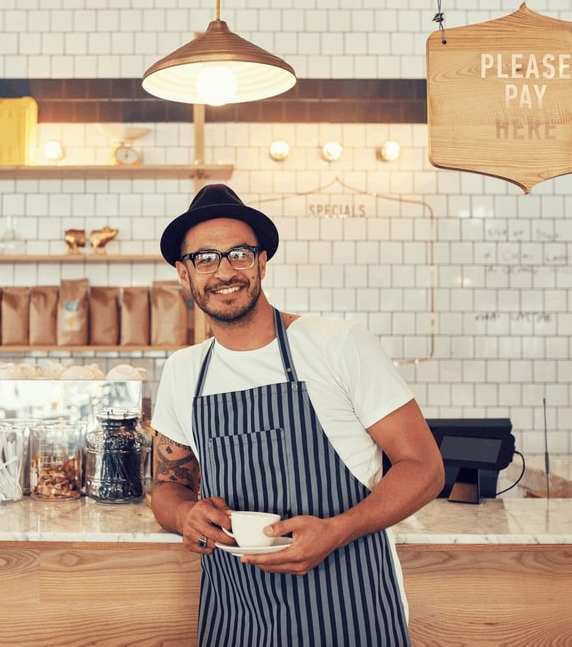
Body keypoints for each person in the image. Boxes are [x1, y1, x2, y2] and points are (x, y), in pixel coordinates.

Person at [150, 184, 445, 646]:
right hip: (237, 615)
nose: (224, 271)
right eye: (205, 258)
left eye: (239, 254)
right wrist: (185, 514)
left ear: (262, 262)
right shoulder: (183, 372)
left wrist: (336, 531)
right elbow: (168, 487)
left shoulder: (337, 344)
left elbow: (425, 469)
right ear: (183, 274)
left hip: (350, 609)